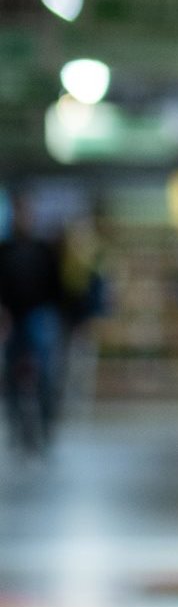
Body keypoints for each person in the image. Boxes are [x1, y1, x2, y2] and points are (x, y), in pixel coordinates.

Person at [0, 194, 69, 460]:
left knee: (45, 375)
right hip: (12, 319)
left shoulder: (43, 250)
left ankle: (45, 428)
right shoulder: (5, 249)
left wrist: (60, 316)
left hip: (40, 316)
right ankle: (19, 431)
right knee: (12, 376)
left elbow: (57, 286)